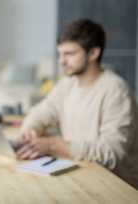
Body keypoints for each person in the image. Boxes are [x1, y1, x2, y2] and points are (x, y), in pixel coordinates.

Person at [15, 18, 138, 189]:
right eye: (60, 53)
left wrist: (52, 145)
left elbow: (111, 153)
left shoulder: (117, 91)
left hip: (115, 187)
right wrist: (31, 129)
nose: (61, 61)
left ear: (93, 53)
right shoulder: (67, 83)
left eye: (69, 54)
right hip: (80, 175)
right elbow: (41, 112)